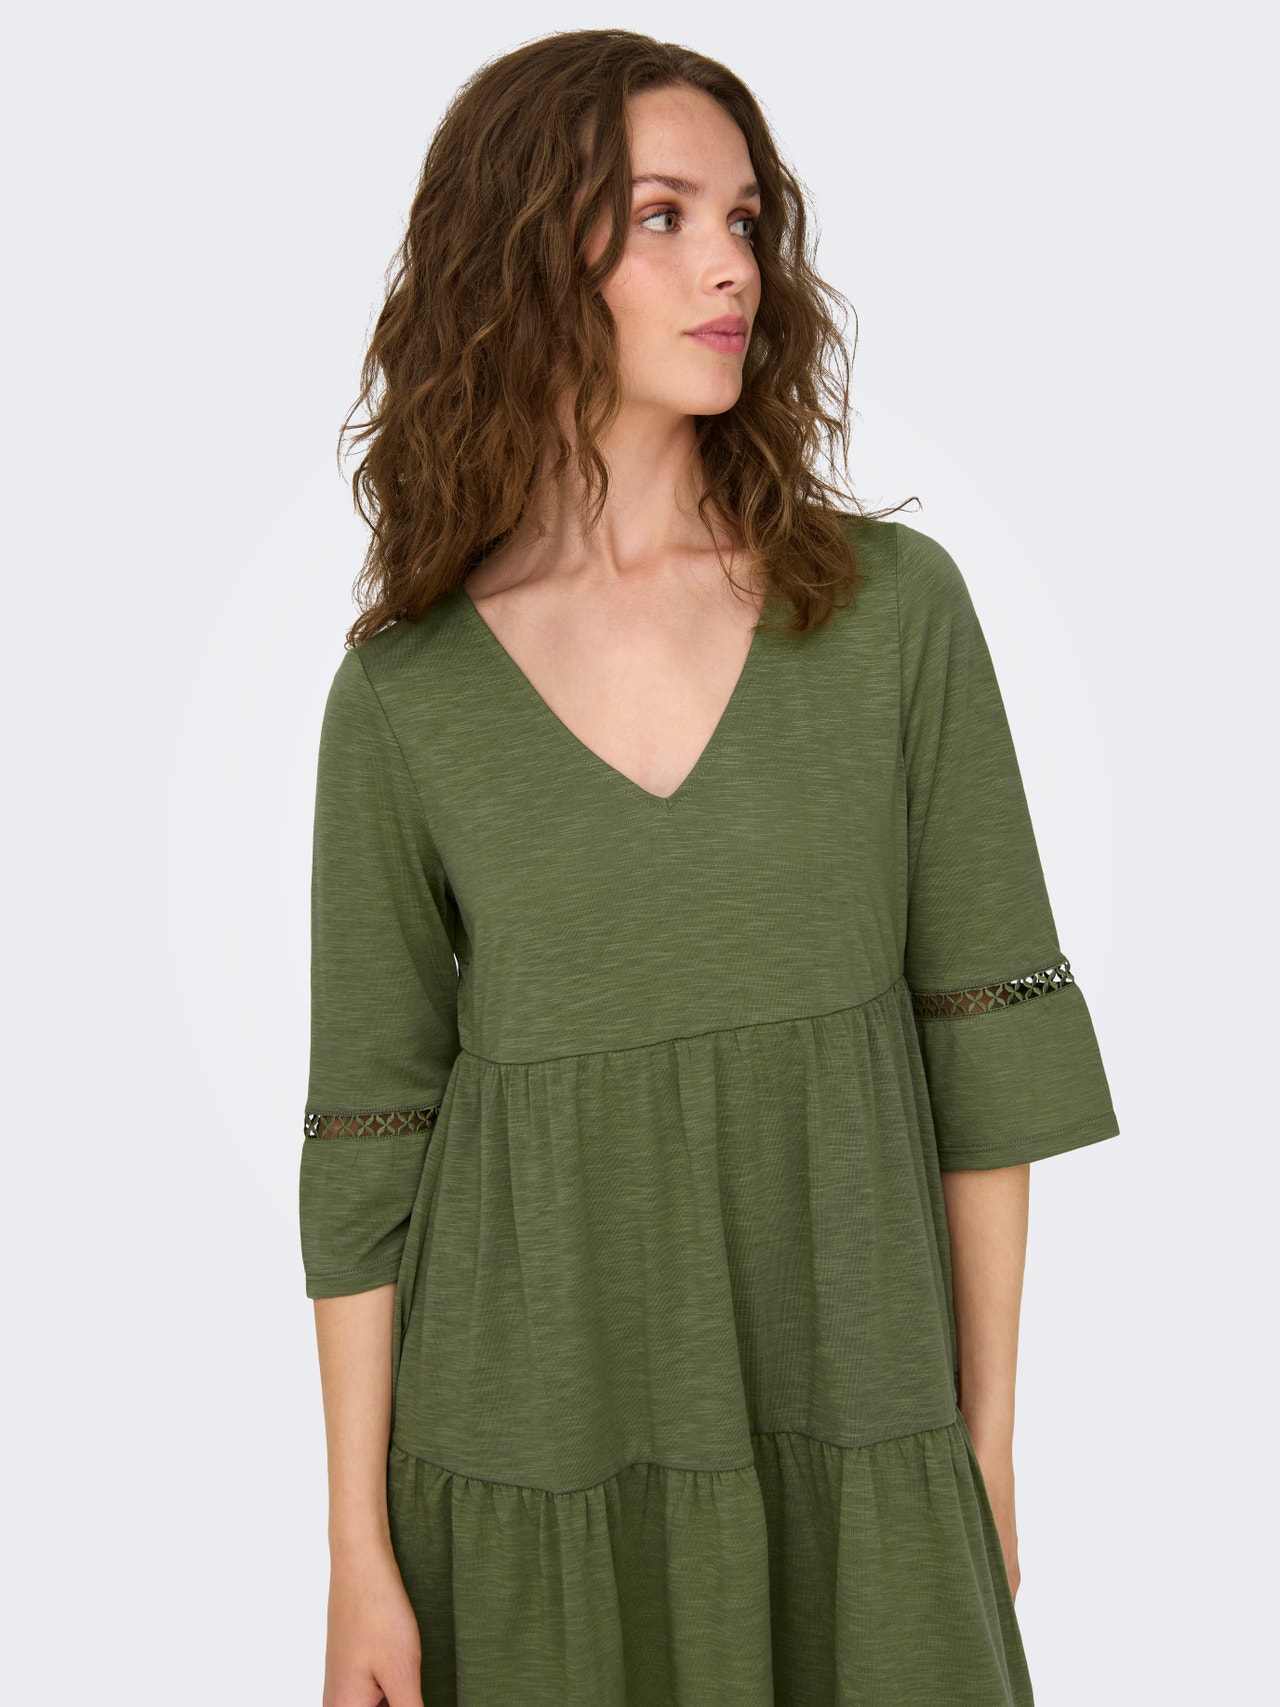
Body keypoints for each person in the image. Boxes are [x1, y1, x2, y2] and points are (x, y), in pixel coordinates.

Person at [299, 28, 1120, 1707]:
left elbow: (987, 1043)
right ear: (525, 257)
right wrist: (358, 1558)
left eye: (745, 220)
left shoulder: (890, 615)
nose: (732, 265)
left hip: (855, 1406)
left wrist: (982, 1441)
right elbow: (368, 1134)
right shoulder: (405, 696)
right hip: (529, 1441)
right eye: (664, 216)